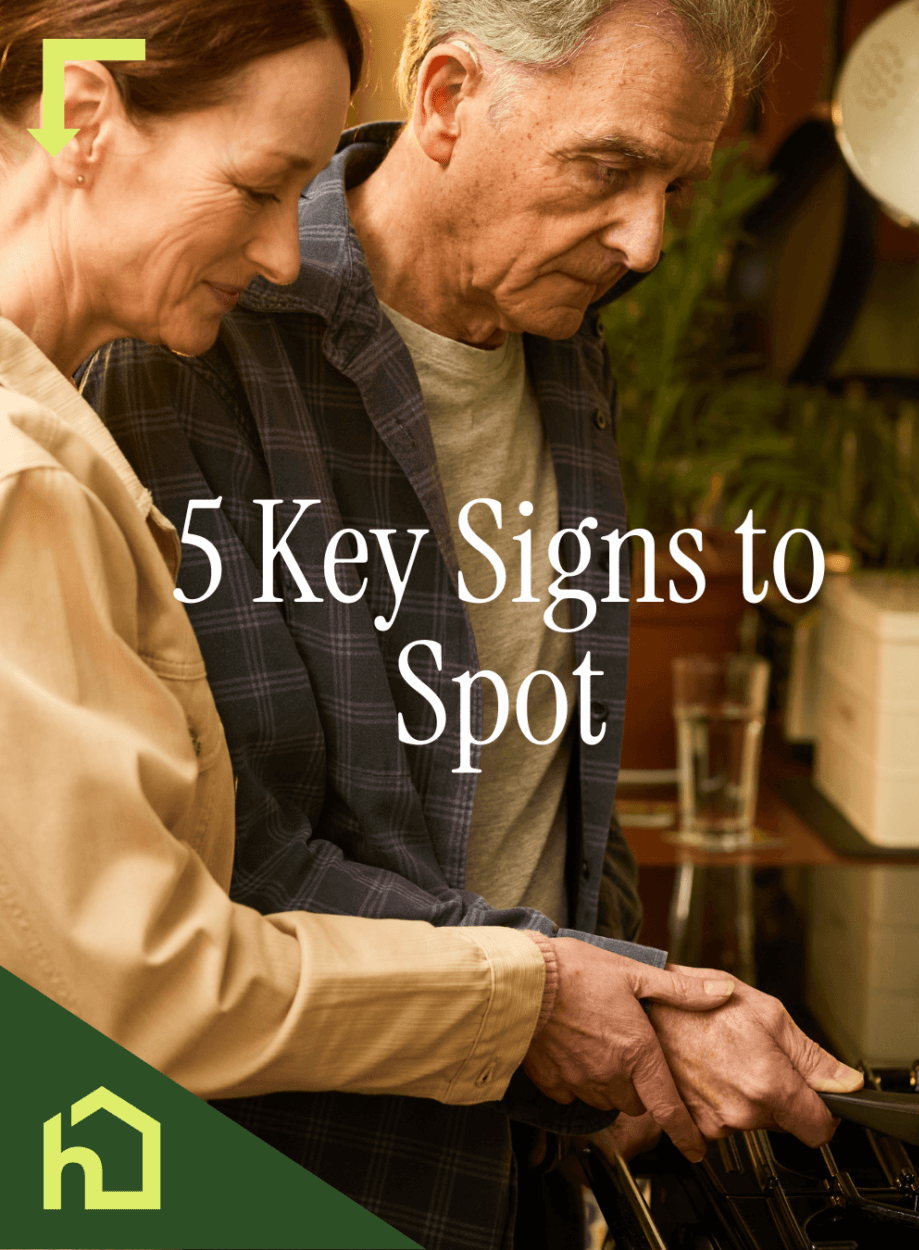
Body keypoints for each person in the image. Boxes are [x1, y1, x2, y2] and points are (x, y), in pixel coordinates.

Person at [80, 0, 864, 1245]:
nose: (647, 238)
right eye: (608, 167)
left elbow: (559, 775)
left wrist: (611, 1010)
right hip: (293, 1172)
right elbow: (238, 856)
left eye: (674, 181)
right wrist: (603, 1003)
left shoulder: (564, 337)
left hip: (528, 1161)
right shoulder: (192, 337)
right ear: (446, 96)